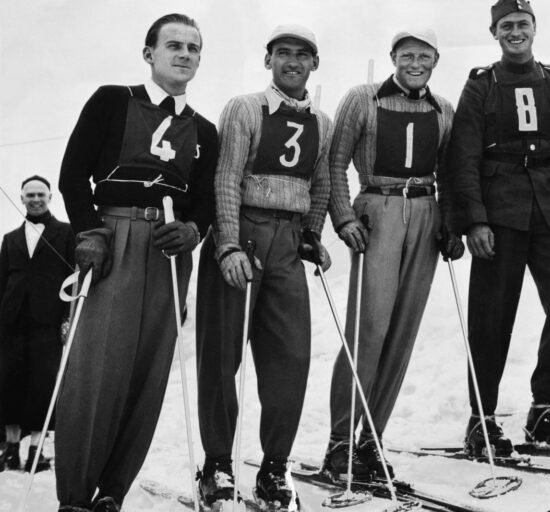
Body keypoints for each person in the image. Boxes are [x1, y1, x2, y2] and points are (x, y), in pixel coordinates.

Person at [56, 13, 217, 512]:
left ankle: (112, 492)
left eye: (193, 47)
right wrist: (88, 231)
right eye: (173, 45)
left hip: (169, 251)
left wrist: (194, 230)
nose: (184, 54)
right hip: (113, 238)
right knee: (97, 368)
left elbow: (205, 201)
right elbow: (71, 174)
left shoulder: (206, 131)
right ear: (149, 54)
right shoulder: (113, 100)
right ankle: (75, 496)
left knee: (148, 373)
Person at [450, 0, 550, 449]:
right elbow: (464, 157)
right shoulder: (480, 86)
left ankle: (544, 410)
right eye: (506, 26)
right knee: (491, 319)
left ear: (535, 29)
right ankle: (482, 418)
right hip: (499, 215)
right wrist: (474, 220)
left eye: (523, 24)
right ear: (494, 33)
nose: (515, 32)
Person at [195, 24, 331, 511]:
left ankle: (275, 466)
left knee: (290, 359)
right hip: (243, 234)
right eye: (283, 53)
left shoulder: (323, 121)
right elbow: (226, 176)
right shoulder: (245, 107)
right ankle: (217, 463)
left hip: (288, 242)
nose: (293, 62)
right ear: (269, 59)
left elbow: (321, 185)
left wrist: (312, 233)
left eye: (303, 55)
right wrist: (228, 244)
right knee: (221, 357)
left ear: (314, 64)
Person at [323, 28, 462, 480]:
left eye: (424, 55)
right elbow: (334, 162)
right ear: (393, 57)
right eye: (407, 55)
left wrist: (451, 224)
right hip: (377, 209)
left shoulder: (442, 108)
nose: (415, 63)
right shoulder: (363, 98)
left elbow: (452, 171)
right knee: (368, 329)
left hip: (425, 210)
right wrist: (343, 218)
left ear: (436, 59)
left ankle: (370, 442)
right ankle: (340, 442)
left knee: (402, 332)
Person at [0, 176, 75, 472]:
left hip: (49, 322)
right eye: (29, 194)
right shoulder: (9, 239)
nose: (35, 199)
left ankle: (36, 452)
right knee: (9, 383)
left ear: (50, 197)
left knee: (41, 384)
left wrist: (68, 317)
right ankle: (11, 449)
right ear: (21, 198)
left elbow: (74, 279)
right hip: (10, 322)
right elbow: (2, 281)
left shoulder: (67, 233)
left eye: (40, 194)